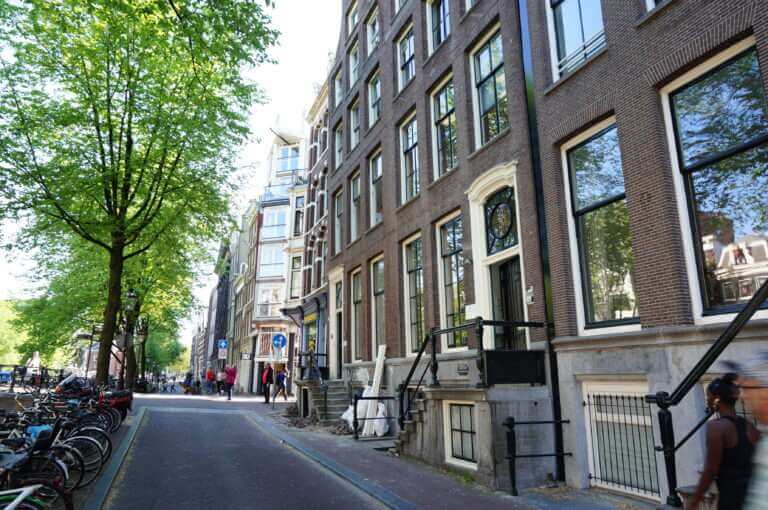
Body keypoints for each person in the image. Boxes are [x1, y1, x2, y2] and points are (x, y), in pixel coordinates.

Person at [690, 373, 760, 510]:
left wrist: (694, 502)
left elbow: (710, 470)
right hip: (752, 498)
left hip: (731, 500)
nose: (707, 401)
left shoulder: (716, 427)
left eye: (708, 397)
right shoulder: (749, 426)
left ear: (716, 399)